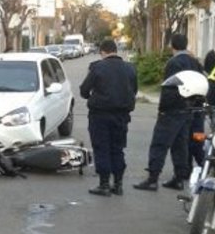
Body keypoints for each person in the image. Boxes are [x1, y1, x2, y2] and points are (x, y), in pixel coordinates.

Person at [134, 33, 203, 192]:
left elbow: (169, 88)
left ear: (172, 45)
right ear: (186, 44)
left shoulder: (174, 63)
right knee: (180, 145)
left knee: (160, 144)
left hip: (172, 109)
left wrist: (162, 109)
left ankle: (153, 178)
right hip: (188, 109)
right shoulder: (194, 62)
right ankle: (179, 178)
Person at [80, 39, 138, 196]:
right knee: (117, 149)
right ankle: (118, 184)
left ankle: (104, 184)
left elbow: (84, 91)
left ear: (103, 52)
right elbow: (134, 90)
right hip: (121, 116)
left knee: (101, 148)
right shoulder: (130, 68)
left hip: (100, 115)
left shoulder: (97, 67)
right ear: (115, 50)